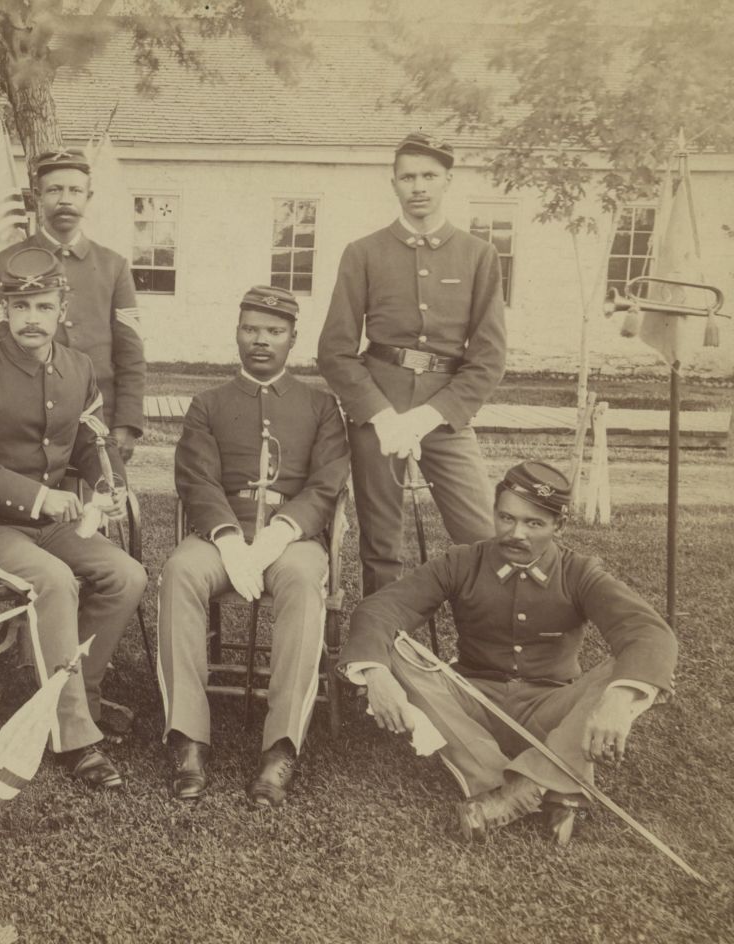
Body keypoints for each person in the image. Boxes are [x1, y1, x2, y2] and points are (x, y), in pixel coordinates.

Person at [339, 460, 677, 844]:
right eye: (506, 518)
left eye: (534, 523)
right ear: (495, 514)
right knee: (395, 652)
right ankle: (548, 783)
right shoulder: (462, 561)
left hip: (551, 710)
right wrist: (377, 673)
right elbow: (380, 609)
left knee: (623, 669)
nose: (516, 533)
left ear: (558, 526)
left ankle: (514, 793)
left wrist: (618, 699)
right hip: (472, 708)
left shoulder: (579, 573)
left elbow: (649, 632)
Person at [0, 247, 147, 789]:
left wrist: (108, 486)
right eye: (19, 306)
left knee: (127, 575)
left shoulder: (78, 367)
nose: (30, 319)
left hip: (52, 523)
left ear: (60, 309)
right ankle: (75, 737)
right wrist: (37, 497)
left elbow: (94, 443)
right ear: (5, 309)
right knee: (52, 581)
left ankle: (80, 695)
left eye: (42, 306)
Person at [157, 286, 350, 808]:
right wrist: (228, 539)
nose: (260, 341)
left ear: (293, 338)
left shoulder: (320, 405)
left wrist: (278, 534)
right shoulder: (208, 403)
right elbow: (196, 479)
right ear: (237, 333)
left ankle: (280, 747)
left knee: (305, 580)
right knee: (179, 572)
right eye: (250, 329)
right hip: (222, 535)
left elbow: (328, 482)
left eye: (273, 331)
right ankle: (188, 739)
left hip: (293, 538)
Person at [317, 131, 506, 597]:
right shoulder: (364, 252)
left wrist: (428, 416)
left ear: (448, 181)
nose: (418, 186)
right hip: (376, 411)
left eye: (429, 176)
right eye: (408, 177)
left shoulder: (479, 254)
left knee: (482, 534)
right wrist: (381, 416)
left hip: (444, 413)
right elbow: (335, 349)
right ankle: (379, 648)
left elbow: (488, 356)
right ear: (393, 183)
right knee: (382, 543)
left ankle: (487, 650)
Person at [0, 148, 145, 462]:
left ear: (88, 197)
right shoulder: (5, 263)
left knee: (101, 504)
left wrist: (127, 422)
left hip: (98, 416)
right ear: (38, 197)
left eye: (75, 190)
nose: (65, 199)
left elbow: (130, 352)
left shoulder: (113, 265)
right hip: (23, 418)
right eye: (54, 190)